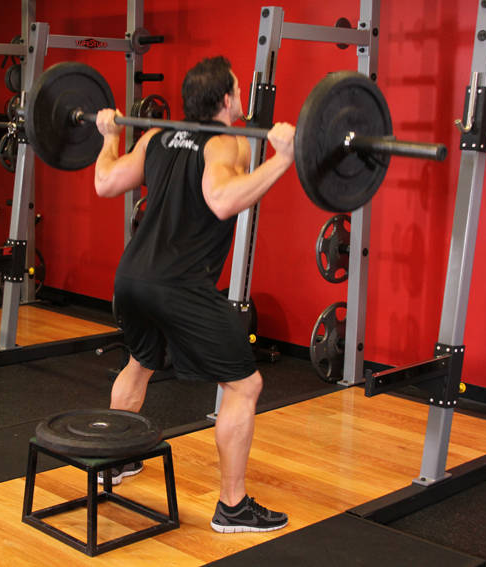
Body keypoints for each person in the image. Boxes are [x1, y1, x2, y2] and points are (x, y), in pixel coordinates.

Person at [93, 56, 295, 533]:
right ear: (226, 99)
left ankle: (118, 462)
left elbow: (105, 182)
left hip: (132, 277)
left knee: (139, 363)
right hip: (179, 285)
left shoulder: (156, 135)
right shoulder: (226, 142)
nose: (242, 95)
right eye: (238, 89)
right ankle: (232, 506)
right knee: (244, 386)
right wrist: (284, 160)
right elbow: (223, 200)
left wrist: (108, 137)